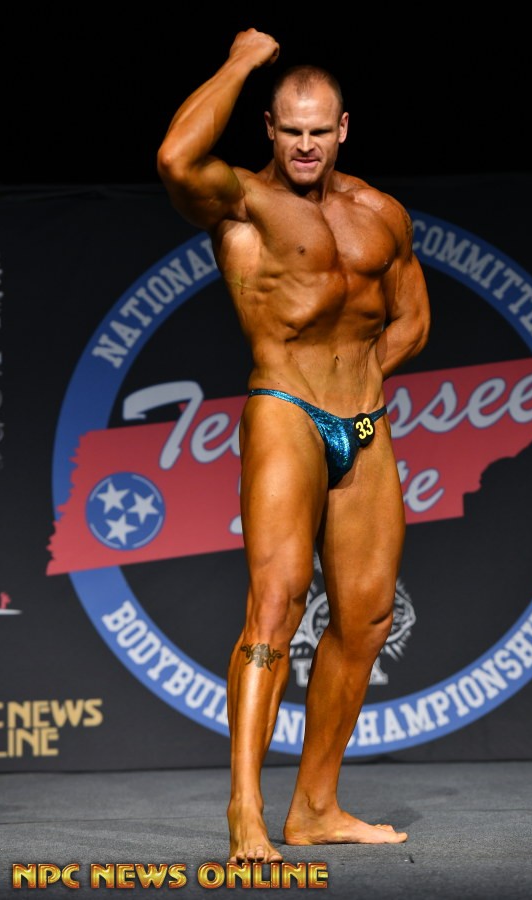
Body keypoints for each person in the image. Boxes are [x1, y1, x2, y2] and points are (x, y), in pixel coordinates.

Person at [157, 27, 431, 864]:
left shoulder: (381, 213)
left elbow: (412, 320)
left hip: (366, 426)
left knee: (367, 617)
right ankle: (246, 811)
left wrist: (362, 378)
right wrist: (243, 62)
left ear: (343, 128)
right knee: (274, 605)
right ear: (269, 130)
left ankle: (315, 805)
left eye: (319, 131)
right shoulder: (242, 202)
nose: (306, 146)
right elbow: (175, 158)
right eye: (291, 131)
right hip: (284, 409)